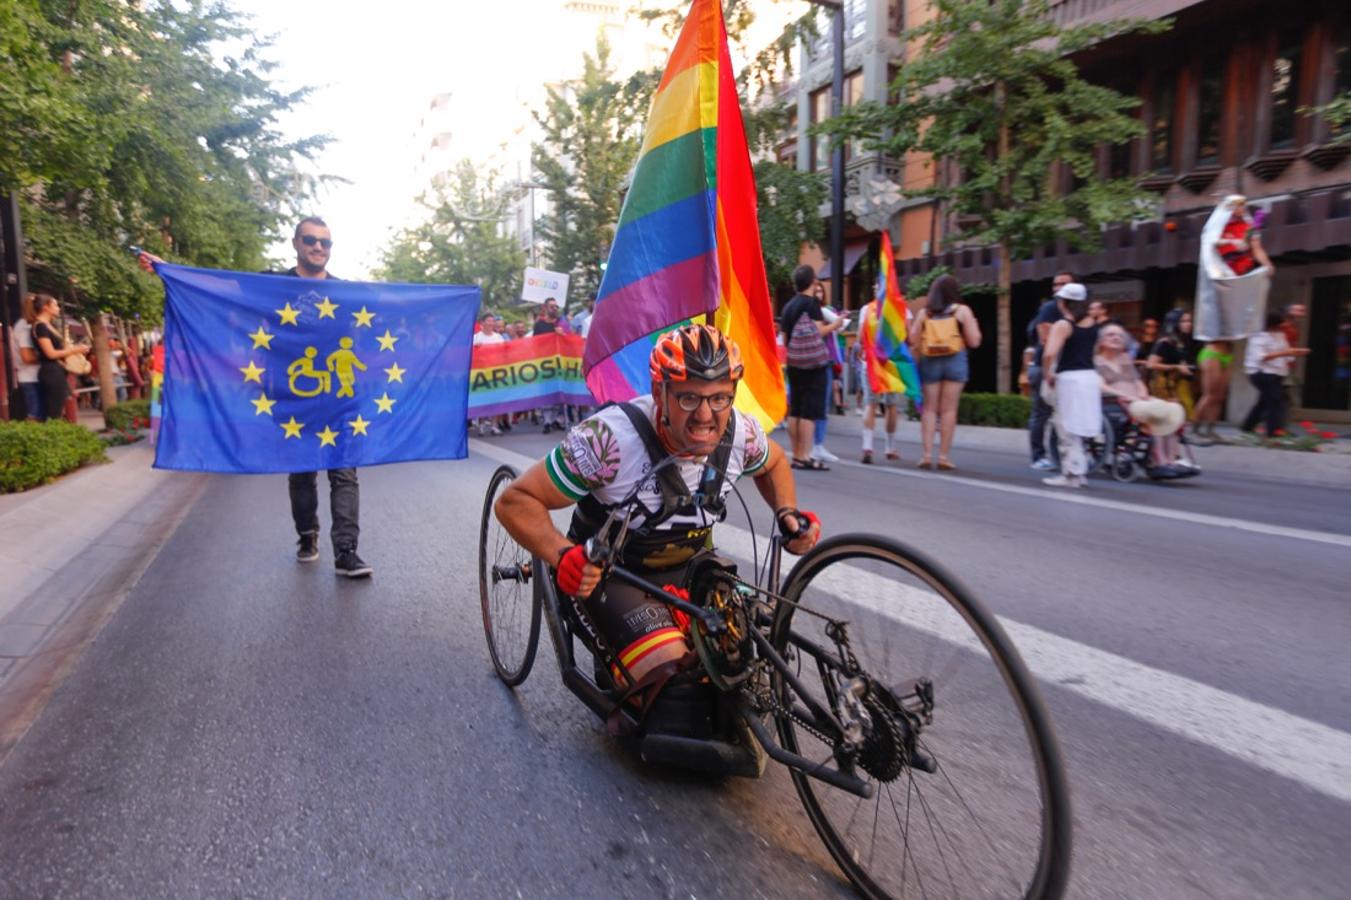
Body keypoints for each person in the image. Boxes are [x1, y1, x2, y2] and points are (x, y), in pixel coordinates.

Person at [493, 324, 820, 705]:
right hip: (612, 574)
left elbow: (773, 462)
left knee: (753, 663)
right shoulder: (607, 440)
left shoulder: (740, 431)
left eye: (719, 398)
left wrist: (787, 513)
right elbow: (515, 501)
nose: (704, 416)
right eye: (688, 399)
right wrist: (561, 555)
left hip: (692, 567)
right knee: (677, 696)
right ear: (659, 393)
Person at [141, 216, 372, 577]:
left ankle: (346, 551)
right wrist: (169, 271)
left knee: (345, 474)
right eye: (310, 240)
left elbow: (388, 309)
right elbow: (221, 289)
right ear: (296, 243)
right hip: (292, 397)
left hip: (338, 398)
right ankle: (307, 535)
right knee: (302, 472)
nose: (318, 247)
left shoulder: (345, 292)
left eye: (325, 242)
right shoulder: (271, 285)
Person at [1095, 323, 1189, 476]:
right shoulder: (1097, 361)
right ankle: (1160, 460)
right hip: (1116, 402)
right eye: (1111, 335)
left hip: (1137, 400)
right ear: (1101, 341)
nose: (1116, 338)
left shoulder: (1124, 358)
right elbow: (1101, 386)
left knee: (1172, 411)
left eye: (1119, 335)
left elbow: (1137, 381)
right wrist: (1124, 395)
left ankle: (1172, 459)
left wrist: (1142, 392)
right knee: (1155, 416)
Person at [910, 274, 981, 470]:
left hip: (930, 360)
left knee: (930, 408)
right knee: (949, 410)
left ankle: (926, 454)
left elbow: (913, 339)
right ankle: (943, 456)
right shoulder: (962, 311)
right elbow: (975, 341)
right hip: (955, 359)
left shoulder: (925, 313)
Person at [780, 265, 842, 470]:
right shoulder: (812, 304)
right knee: (809, 411)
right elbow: (819, 332)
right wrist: (837, 323)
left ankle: (796, 454)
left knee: (795, 408)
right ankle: (805, 455)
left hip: (794, 362)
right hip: (813, 364)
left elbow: (786, 338)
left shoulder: (788, 306)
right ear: (813, 281)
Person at [1040, 283, 1100, 488]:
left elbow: (1049, 353)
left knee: (1065, 426)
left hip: (1069, 379)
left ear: (1063, 302)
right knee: (1079, 427)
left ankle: (1071, 474)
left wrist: (1048, 372)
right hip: (1089, 377)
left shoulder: (1063, 325)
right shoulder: (1093, 324)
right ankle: (1080, 471)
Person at [1026, 272, 1074, 471]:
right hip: (1044, 367)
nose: (1058, 287)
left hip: (1065, 368)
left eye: (1063, 283)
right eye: (1056, 284)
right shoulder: (1049, 308)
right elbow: (1045, 339)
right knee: (1042, 413)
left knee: (1061, 414)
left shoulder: (1077, 311)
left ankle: (1059, 454)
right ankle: (1038, 456)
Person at [1241, 310, 1310, 437]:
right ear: (1274, 324)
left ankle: (1247, 426)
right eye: (1282, 323)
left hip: (1277, 373)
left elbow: (1286, 351)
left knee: (1264, 401)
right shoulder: (1259, 337)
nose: (1285, 325)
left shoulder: (1280, 335)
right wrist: (1287, 353)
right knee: (1276, 401)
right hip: (1261, 373)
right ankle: (1274, 431)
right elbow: (1262, 357)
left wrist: (1294, 353)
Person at [855, 299, 902, 464]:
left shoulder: (867, 309)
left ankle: (867, 446)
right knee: (891, 405)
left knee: (870, 403)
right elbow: (905, 335)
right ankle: (889, 447)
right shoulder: (899, 307)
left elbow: (861, 337)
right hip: (891, 363)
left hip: (871, 362)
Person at [30, 294, 90, 422]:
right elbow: (50, 353)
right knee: (54, 412)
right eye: (55, 305)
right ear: (46, 307)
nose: (58, 308)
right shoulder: (40, 326)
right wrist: (75, 350)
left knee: (59, 409)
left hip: (58, 371)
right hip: (51, 371)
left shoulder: (49, 325)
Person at [810, 280, 847, 463]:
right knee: (813, 405)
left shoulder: (827, 310)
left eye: (820, 291)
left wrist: (839, 321)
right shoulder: (810, 310)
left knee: (823, 404)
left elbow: (838, 329)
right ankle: (812, 446)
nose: (818, 294)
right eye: (815, 291)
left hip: (827, 360)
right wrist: (833, 324)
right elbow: (820, 332)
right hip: (812, 361)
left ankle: (818, 445)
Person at [1147, 308, 1197, 419]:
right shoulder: (1165, 342)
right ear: (1174, 323)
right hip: (1165, 385)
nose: (1188, 324)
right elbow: (1151, 364)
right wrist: (1176, 367)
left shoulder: (1181, 341)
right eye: (1184, 321)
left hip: (1179, 383)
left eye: (1189, 321)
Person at [1193, 339, 1234, 443]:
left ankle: (1210, 430)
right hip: (1213, 353)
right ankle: (1195, 429)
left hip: (1227, 353)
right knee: (1209, 395)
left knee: (1220, 396)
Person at [13, 294, 44, 420]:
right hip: (30, 376)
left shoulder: (24, 325)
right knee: (35, 414)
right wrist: (47, 357)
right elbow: (26, 357)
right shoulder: (25, 327)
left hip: (31, 375)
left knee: (37, 412)